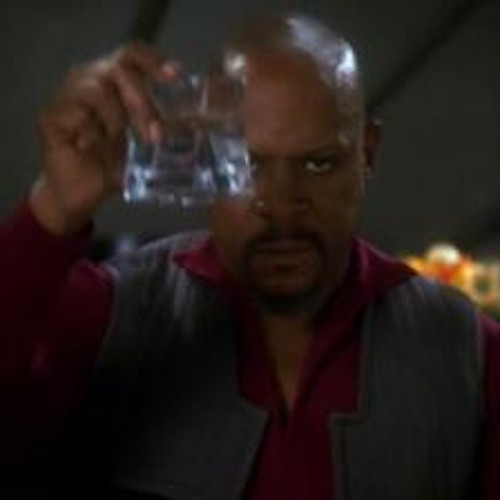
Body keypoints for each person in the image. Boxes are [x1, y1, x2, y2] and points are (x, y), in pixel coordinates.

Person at [0, 11, 499, 500]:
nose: (280, 203)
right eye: (247, 163)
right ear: (202, 155)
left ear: (365, 155)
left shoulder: (467, 351)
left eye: (319, 163)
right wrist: (53, 210)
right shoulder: (112, 312)